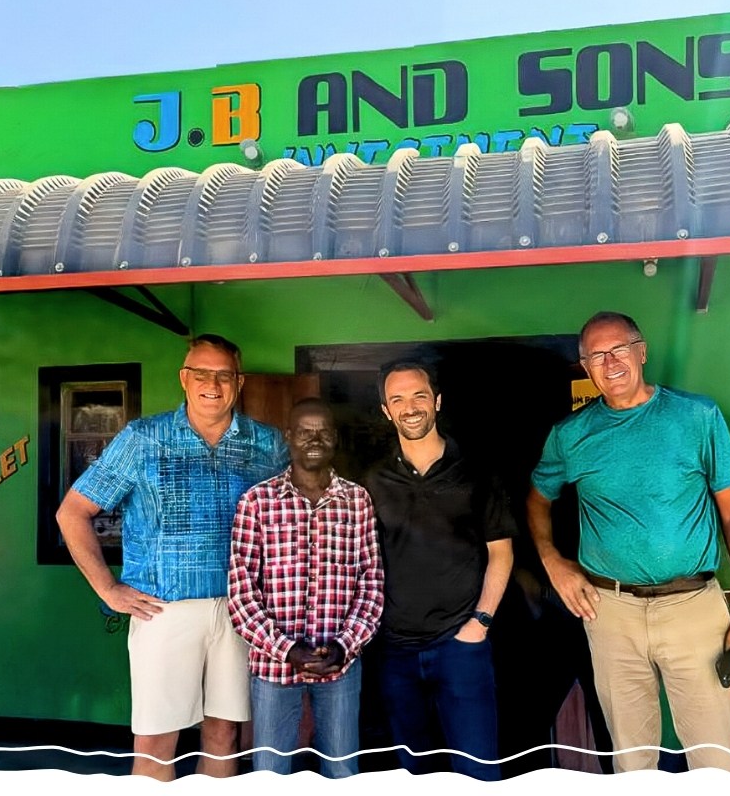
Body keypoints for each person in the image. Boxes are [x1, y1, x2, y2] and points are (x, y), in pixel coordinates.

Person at [526, 311, 730, 774]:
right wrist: (553, 560)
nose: (609, 361)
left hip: (694, 607)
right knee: (631, 763)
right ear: (584, 366)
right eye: (596, 355)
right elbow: (537, 500)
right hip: (610, 612)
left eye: (619, 348)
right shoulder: (571, 435)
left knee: (716, 761)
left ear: (642, 352)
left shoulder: (696, 416)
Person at [56, 334, 287, 780]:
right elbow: (72, 512)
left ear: (238, 381)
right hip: (163, 607)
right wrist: (109, 588)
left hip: (243, 610)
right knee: (157, 740)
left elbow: (283, 523)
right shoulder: (143, 438)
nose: (212, 384)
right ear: (184, 378)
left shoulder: (266, 444)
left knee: (225, 734)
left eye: (223, 375)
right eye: (201, 373)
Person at [364, 360, 516, 781]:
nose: (409, 407)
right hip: (395, 649)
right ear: (385, 411)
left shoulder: (477, 471)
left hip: (461, 645)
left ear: (438, 401)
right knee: (412, 774)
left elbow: (501, 553)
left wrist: (480, 622)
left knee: (478, 771)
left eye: (418, 396)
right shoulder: (373, 481)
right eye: (397, 399)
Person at [227, 398, 383, 778]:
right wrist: (287, 649)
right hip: (274, 665)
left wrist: (346, 645)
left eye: (324, 431)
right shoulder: (257, 502)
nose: (315, 439)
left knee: (342, 771)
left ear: (335, 439)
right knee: (270, 773)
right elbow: (241, 592)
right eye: (305, 431)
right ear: (289, 437)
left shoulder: (357, 501)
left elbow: (372, 582)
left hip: (340, 664)